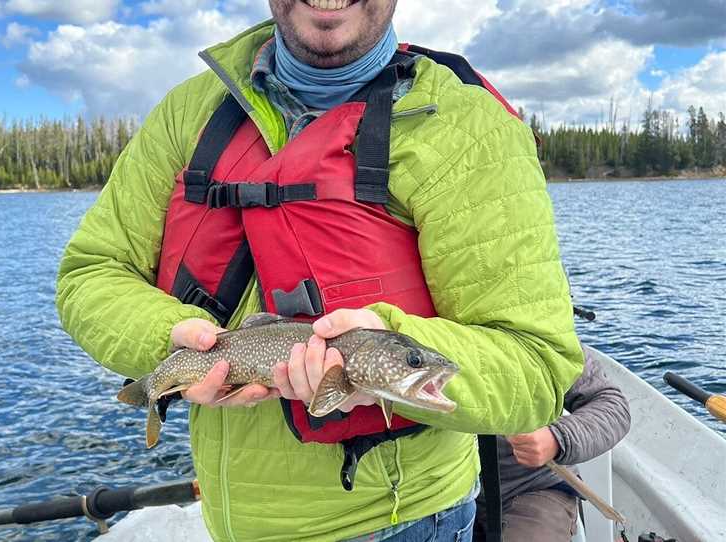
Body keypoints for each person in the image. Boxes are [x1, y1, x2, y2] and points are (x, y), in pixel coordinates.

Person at [56, 1, 585, 540]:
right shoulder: (184, 113)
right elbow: (91, 272)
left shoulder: (469, 127)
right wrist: (170, 340)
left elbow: (536, 368)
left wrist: (388, 351)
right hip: (232, 522)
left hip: (403, 523)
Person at [473, 345, 631, 542]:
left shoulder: (536, 332)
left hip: (532, 485)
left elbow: (612, 406)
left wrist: (556, 438)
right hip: (441, 495)